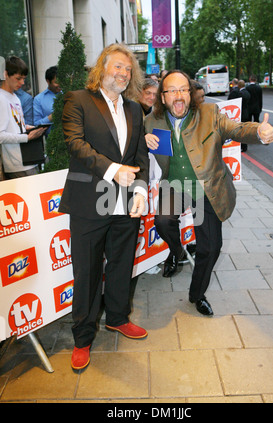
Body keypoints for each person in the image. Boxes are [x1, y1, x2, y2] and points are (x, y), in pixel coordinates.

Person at [144, 70, 273, 317]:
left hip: (206, 187)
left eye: (183, 89)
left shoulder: (209, 114)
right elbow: (138, 146)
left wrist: (258, 132)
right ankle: (177, 251)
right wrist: (145, 140)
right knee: (162, 222)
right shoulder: (152, 121)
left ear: (190, 93)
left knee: (211, 247)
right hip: (173, 184)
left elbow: (236, 129)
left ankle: (197, 294)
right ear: (163, 97)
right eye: (171, 90)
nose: (178, 95)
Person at [59, 43, 149, 370]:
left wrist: (140, 191)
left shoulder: (136, 110)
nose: (124, 74)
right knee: (87, 271)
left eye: (128, 69)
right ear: (102, 67)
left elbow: (139, 157)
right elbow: (75, 144)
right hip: (88, 201)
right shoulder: (78, 100)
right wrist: (113, 170)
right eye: (118, 67)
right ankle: (83, 337)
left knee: (122, 263)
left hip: (125, 202)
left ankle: (117, 317)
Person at [0, 56, 46, 179]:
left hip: (29, 159)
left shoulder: (15, 97)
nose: (22, 83)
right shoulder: (1, 98)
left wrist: (29, 128)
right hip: (16, 164)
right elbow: (0, 135)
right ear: (5, 74)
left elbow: (15, 125)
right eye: (18, 78)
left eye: (24, 79)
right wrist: (26, 137)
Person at [33, 65, 61, 135]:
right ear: (48, 81)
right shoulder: (38, 99)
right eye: (56, 82)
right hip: (51, 141)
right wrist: (51, 117)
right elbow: (36, 125)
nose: (60, 84)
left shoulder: (68, 95)